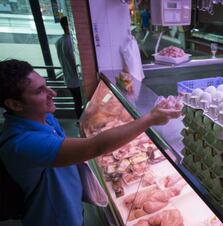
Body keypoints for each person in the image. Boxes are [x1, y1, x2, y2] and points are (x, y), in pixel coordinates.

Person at [0, 59, 182, 226]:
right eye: (39, 91)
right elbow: (95, 147)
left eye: (46, 85)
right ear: (15, 105)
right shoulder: (21, 144)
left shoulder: (44, 118)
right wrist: (150, 119)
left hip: (70, 208)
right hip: (53, 219)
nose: (52, 93)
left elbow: (68, 147)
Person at [55, 16, 83, 119]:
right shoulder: (70, 42)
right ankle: (81, 122)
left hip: (68, 79)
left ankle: (80, 121)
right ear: (67, 26)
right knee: (80, 103)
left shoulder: (59, 41)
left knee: (77, 102)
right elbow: (74, 62)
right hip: (76, 80)